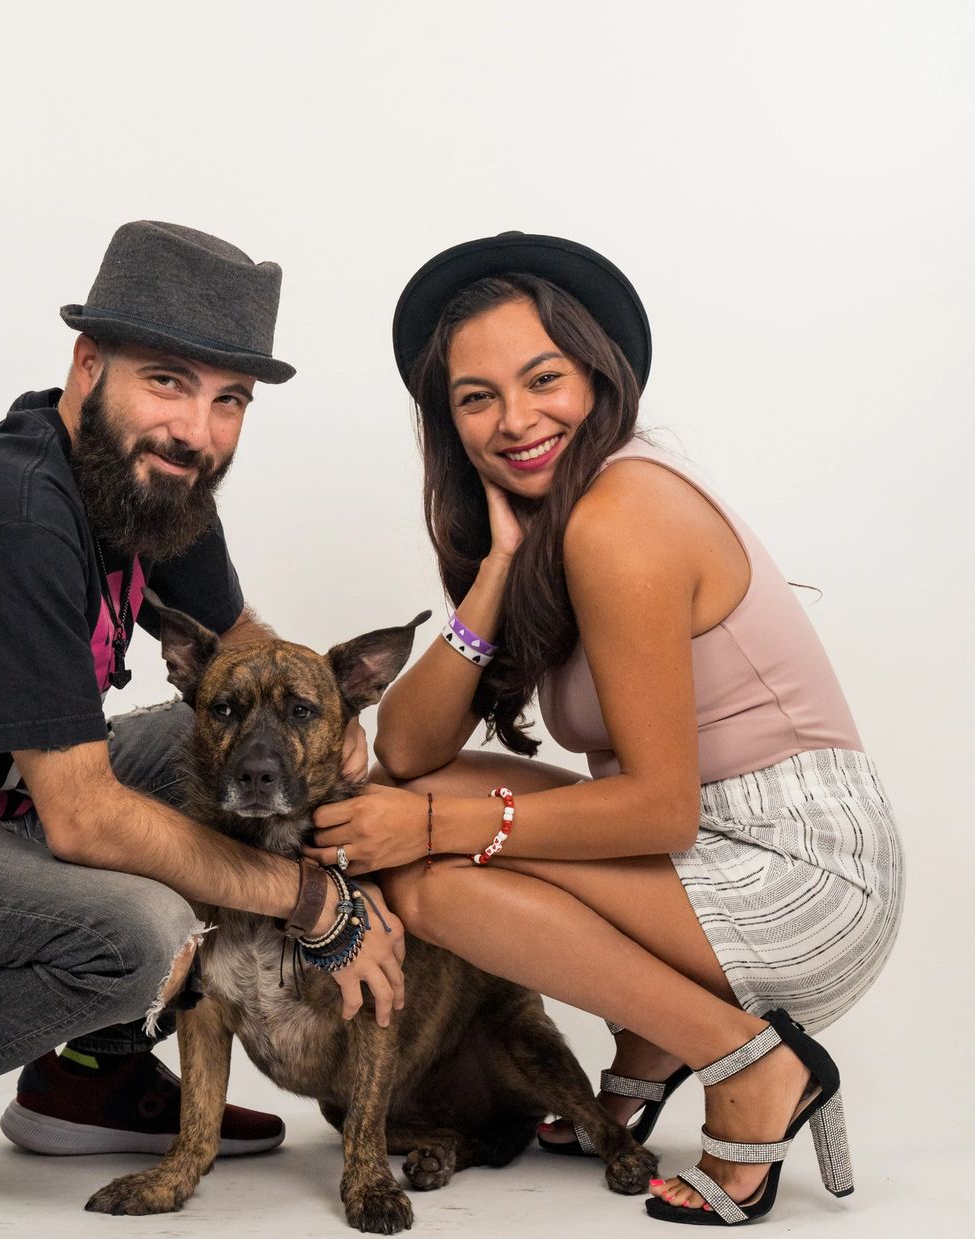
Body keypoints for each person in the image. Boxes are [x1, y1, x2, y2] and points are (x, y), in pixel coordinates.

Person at [0, 221, 405, 1224]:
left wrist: (337, 742)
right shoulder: (14, 517)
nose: (198, 430)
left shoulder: (146, 483)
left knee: (209, 749)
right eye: (168, 382)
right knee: (146, 933)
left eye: (230, 401)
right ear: (87, 365)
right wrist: (315, 901)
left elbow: (240, 649)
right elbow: (87, 821)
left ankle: (87, 1072)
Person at [303, 232, 903, 1226]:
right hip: (711, 845)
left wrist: (434, 832)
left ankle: (745, 1064)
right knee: (390, 799)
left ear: (598, 373)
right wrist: (495, 572)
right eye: (476, 398)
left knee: (421, 869)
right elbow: (406, 752)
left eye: (544, 379)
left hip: (800, 875)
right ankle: (651, 1047)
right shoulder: (563, 519)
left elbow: (659, 812)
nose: (514, 419)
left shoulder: (621, 518)